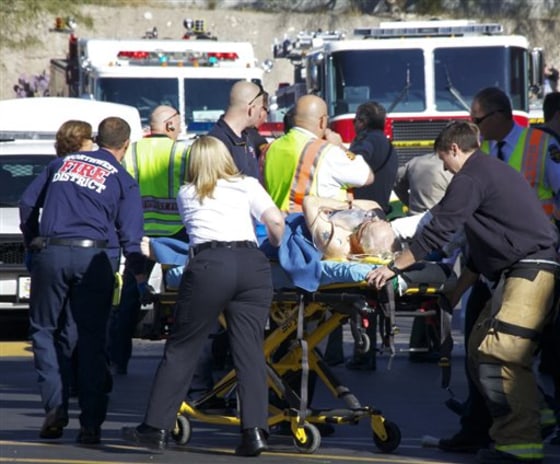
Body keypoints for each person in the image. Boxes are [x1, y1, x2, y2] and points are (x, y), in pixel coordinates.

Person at [367, 121, 559, 464]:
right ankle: (537, 415)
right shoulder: (488, 173)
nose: (444, 168)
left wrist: (394, 266)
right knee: (477, 349)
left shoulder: (472, 175)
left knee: (500, 353)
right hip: (520, 270)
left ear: (455, 149)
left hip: (531, 270)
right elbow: (473, 250)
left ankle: (519, 444)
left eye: (444, 160)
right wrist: (452, 296)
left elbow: (437, 230)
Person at [121, 135, 285, 456]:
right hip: (252, 264)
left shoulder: (187, 192)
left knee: (183, 347)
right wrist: (276, 245)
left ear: (194, 163)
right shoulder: (248, 184)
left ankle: (155, 428)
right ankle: (254, 431)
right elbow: (275, 221)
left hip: (211, 264)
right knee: (250, 351)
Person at [435, 87, 560, 454]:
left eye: (477, 120)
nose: (473, 127)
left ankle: (521, 433)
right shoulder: (483, 155)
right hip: (495, 266)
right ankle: (518, 417)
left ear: (500, 115)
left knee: (508, 351)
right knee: (481, 349)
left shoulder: (541, 146)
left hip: (536, 263)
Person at [20, 117, 147, 445]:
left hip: (52, 253)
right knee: (92, 339)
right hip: (94, 259)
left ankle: (55, 405)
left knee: (44, 331)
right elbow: (131, 237)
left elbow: (26, 203)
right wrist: (140, 276)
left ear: (96, 138)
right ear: (126, 146)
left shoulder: (62, 163)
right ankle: (91, 424)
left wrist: (33, 239)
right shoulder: (123, 178)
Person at [108, 105, 189, 375]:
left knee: (130, 298)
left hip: (139, 233)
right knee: (184, 296)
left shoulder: (131, 152)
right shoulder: (182, 152)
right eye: (178, 123)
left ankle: (118, 359)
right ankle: (182, 360)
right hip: (176, 234)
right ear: (169, 126)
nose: (180, 129)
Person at [263, 94, 374, 213]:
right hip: (310, 227)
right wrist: (340, 147)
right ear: (322, 121)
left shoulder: (269, 149)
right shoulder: (326, 152)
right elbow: (367, 177)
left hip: (276, 226)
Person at [208, 80, 268, 179]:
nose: (261, 114)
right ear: (251, 109)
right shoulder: (216, 143)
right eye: (261, 108)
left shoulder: (247, 137)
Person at [350, 101, 398, 213]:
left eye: (355, 121)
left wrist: (337, 147)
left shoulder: (366, 139)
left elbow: (352, 163)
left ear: (362, 122)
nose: (354, 125)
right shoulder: (388, 144)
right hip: (379, 210)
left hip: (361, 212)